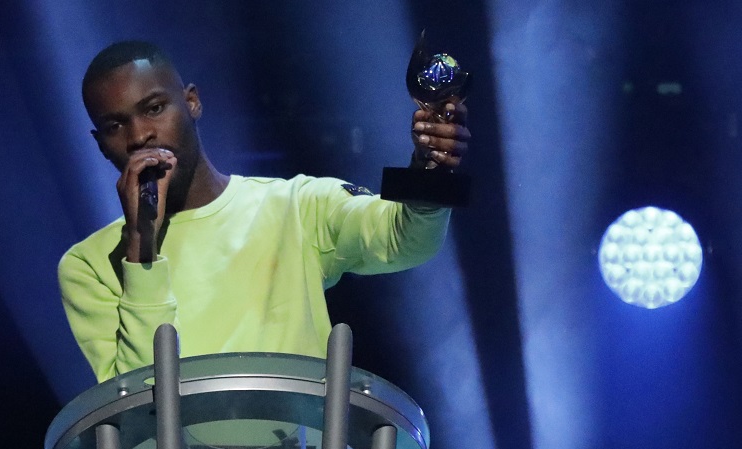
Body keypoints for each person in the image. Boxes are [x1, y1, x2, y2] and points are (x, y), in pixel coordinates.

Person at [60, 41, 471, 382]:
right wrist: (141, 248)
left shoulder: (296, 206)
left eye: (153, 108)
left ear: (192, 102)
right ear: (99, 144)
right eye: (115, 126)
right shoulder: (88, 265)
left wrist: (428, 169)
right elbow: (136, 403)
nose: (140, 136)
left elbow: (405, 241)